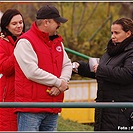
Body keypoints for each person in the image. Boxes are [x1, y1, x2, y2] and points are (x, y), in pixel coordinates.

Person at [14, 5, 72, 131]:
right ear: (46, 22)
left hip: (51, 106)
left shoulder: (57, 42)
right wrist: (58, 83)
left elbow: (67, 64)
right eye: (57, 22)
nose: (59, 25)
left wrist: (61, 82)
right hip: (31, 108)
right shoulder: (25, 42)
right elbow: (31, 72)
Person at [72, 17, 133, 131]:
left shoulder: (130, 52)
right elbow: (101, 72)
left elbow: (128, 74)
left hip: (121, 111)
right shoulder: (111, 51)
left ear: (128, 33)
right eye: (112, 33)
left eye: (116, 33)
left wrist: (101, 70)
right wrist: (80, 68)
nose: (112, 36)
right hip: (104, 108)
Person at [0, 9, 25, 131]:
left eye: (20, 22)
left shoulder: (27, 41)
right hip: (9, 94)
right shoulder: (2, 43)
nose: (19, 26)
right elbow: (5, 68)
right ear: (6, 26)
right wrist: (18, 51)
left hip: (26, 94)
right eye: (14, 24)